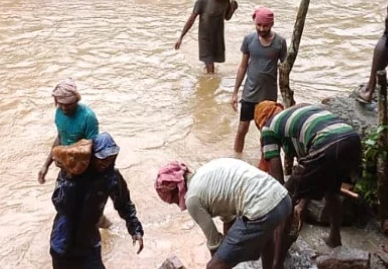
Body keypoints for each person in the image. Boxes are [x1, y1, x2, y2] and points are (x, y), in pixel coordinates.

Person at [255, 101, 361, 249]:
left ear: (260, 122)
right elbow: (312, 173)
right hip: (352, 139)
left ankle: (276, 261)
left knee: (285, 199)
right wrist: (303, 204)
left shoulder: (268, 128)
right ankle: (334, 238)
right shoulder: (299, 111)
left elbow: (278, 181)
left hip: (327, 142)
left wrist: (283, 203)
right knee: (331, 191)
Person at [155, 158, 291, 269]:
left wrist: (220, 262)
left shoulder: (192, 199)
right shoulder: (205, 173)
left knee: (214, 266)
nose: (175, 204)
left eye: (172, 200)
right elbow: (228, 219)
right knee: (266, 238)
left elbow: (214, 243)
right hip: (283, 200)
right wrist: (229, 251)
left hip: (263, 210)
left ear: (175, 190)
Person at [49, 133, 144, 268]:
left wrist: (135, 229)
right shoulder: (71, 172)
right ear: (92, 156)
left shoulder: (111, 177)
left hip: (90, 243)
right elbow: (60, 204)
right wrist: (71, 178)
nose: (105, 163)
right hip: (63, 242)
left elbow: (124, 204)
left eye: (110, 158)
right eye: (102, 158)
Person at [230, 7, 286, 153]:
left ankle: (265, 163)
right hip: (249, 93)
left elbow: (285, 69)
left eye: (265, 26)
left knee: (266, 133)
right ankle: (237, 159)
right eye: (258, 25)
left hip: (268, 97)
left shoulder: (280, 42)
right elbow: (242, 66)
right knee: (242, 129)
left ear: (271, 24)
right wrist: (235, 93)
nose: (261, 28)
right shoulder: (249, 40)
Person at [39, 80, 100, 185]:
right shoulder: (59, 112)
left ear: (76, 100)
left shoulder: (88, 117)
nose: (64, 108)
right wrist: (46, 165)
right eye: (61, 104)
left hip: (83, 169)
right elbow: (60, 137)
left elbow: (92, 149)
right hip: (65, 166)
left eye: (68, 104)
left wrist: (70, 163)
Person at [175, 0, 239, 74]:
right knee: (211, 67)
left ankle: (206, 76)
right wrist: (181, 37)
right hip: (205, 37)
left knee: (212, 62)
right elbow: (191, 19)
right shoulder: (202, 1)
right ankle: (210, 84)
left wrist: (232, 9)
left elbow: (226, 17)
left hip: (218, 36)